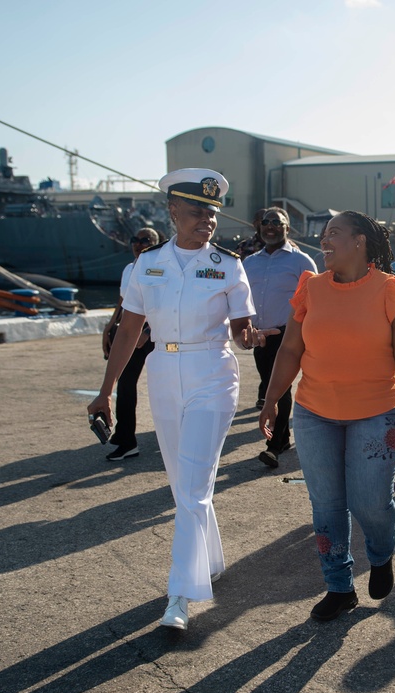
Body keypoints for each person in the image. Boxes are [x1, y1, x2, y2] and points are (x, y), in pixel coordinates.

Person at [87, 168, 276, 631]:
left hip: (212, 371)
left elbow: (240, 330)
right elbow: (130, 330)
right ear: (173, 211)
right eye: (197, 211)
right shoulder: (146, 264)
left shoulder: (230, 265)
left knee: (190, 486)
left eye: (212, 213)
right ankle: (210, 558)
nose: (207, 220)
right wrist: (106, 390)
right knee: (185, 484)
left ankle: (180, 594)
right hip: (163, 372)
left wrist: (250, 338)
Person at [258, 210, 395, 622]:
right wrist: (271, 398)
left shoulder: (391, 290)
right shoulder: (311, 288)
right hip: (314, 414)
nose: (324, 240)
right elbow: (291, 351)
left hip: (378, 411)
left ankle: (381, 555)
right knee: (327, 506)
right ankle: (339, 586)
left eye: (334, 233)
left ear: (360, 242)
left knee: (369, 502)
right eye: (323, 234)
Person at [243, 206, 317, 468]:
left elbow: (315, 301)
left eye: (277, 222)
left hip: (289, 334)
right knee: (270, 386)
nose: (270, 226)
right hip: (260, 336)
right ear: (259, 227)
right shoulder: (249, 263)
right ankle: (283, 437)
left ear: (287, 228)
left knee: (281, 387)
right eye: (266, 222)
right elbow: (241, 301)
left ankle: (274, 446)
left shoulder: (302, 261)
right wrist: (247, 328)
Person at [100, 227, 160, 461]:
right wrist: (109, 326)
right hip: (130, 334)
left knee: (169, 387)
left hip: (153, 336)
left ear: (156, 243)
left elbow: (165, 304)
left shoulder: (159, 268)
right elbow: (124, 301)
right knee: (125, 386)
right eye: (135, 239)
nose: (139, 243)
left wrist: (147, 330)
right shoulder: (129, 268)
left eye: (146, 240)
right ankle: (126, 440)